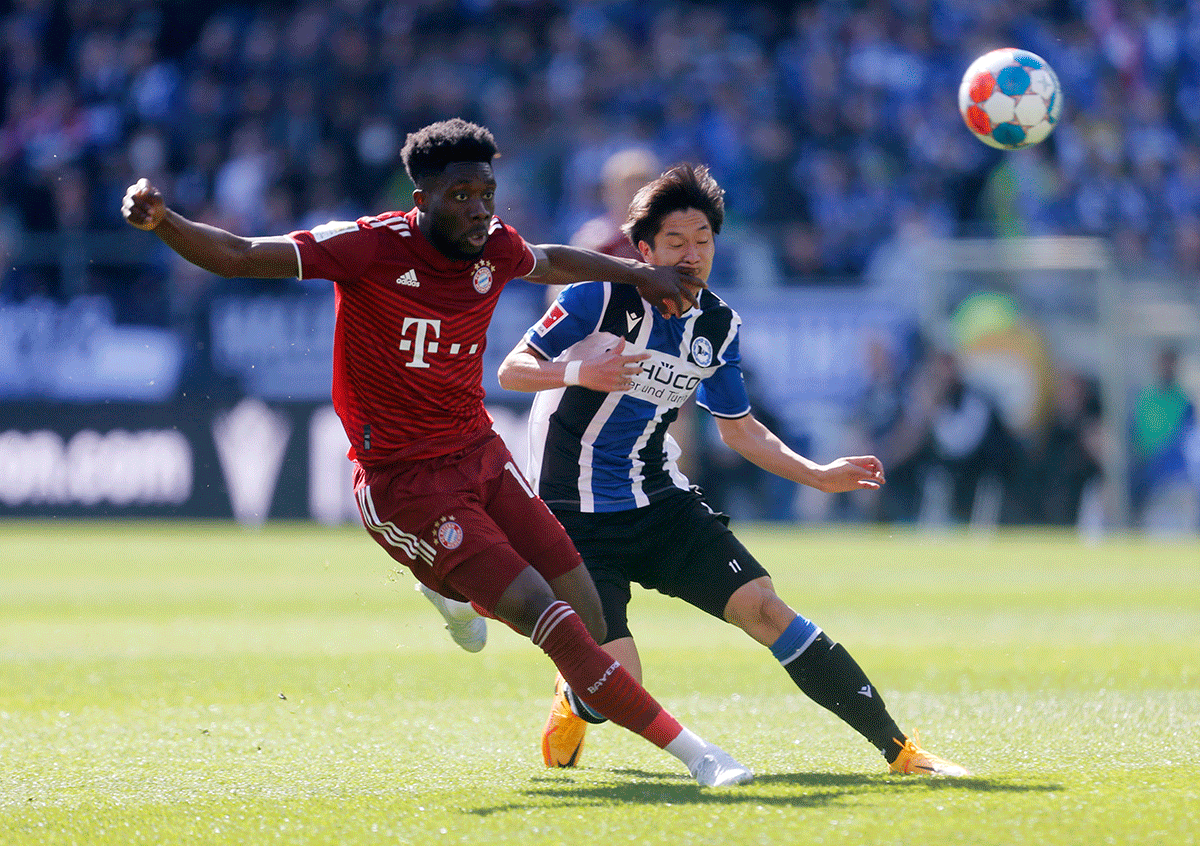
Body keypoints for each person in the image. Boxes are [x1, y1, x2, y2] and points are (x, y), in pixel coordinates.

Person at [121, 118, 751, 788]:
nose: (479, 209)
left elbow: (550, 259)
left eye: (487, 192)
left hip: (480, 453)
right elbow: (242, 253)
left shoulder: (493, 246)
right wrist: (166, 223)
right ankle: (697, 755)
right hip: (405, 481)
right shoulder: (367, 246)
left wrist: (636, 272)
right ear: (421, 199)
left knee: (590, 617)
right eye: (461, 196)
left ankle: (450, 588)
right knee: (547, 614)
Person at [489, 163, 970, 777]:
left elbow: (739, 429)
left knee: (765, 608)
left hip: (660, 502)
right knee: (617, 688)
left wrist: (818, 474)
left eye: (703, 242)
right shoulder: (597, 295)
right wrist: (583, 372)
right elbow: (512, 370)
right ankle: (576, 696)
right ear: (643, 250)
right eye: (674, 243)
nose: (692, 256)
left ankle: (901, 750)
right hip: (573, 517)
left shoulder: (716, 325)